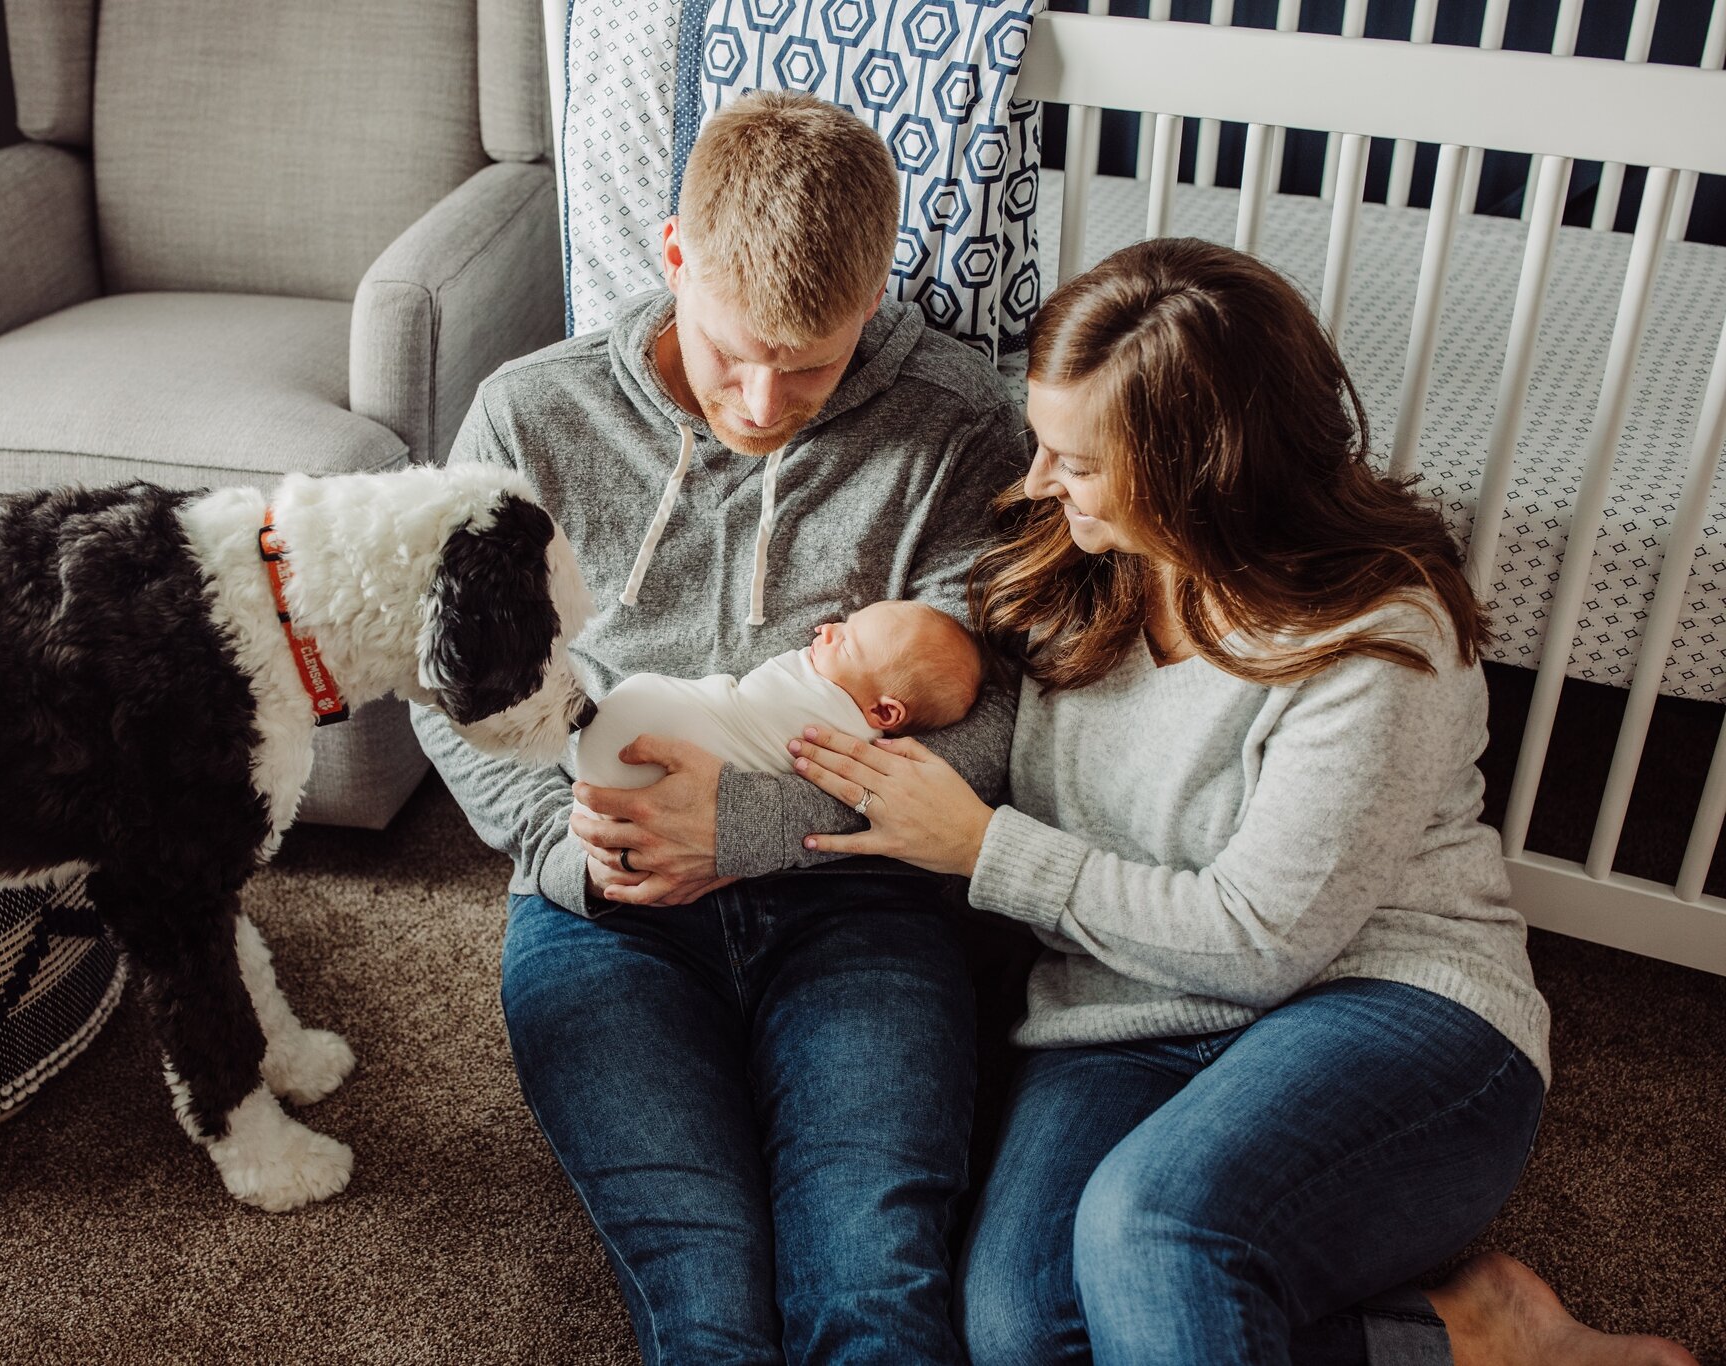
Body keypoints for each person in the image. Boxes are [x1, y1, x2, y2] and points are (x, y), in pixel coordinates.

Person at [786, 237, 1699, 1366]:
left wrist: (986, 851)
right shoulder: (1075, 566)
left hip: (1381, 1001)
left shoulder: (1376, 638)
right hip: (1119, 1014)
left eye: (1072, 461)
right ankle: (1457, 1334)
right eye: (1041, 444)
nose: (1034, 482)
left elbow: (1260, 940)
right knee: (1021, 1333)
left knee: (1154, 1225)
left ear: (1193, 469)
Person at [410, 90, 1023, 1362]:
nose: (759, 399)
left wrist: (749, 824)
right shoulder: (529, 416)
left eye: (810, 363)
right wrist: (567, 851)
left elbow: (1009, 717)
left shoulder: (960, 426)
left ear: (874, 295)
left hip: (863, 892)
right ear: (673, 256)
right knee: (704, 1298)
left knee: (872, 1285)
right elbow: (452, 682)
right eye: (733, 347)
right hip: (606, 906)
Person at [574, 600, 983, 790]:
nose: (826, 629)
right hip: (618, 764)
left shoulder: (843, 738)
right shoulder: (871, 748)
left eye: (846, 643)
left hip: (628, 757)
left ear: (884, 713)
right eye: (844, 623)